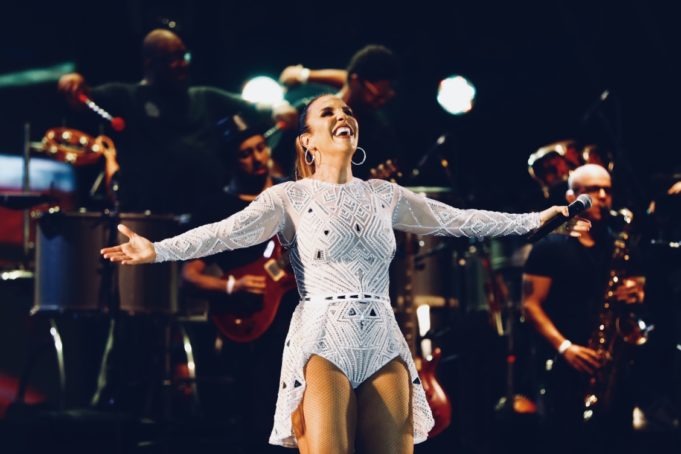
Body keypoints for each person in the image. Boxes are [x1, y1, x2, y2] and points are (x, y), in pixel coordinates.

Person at [102, 94, 572, 453]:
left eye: (346, 110)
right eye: (327, 113)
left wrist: (535, 220)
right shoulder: (288, 197)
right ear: (307, 140)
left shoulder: (385, 195)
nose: (342, 115)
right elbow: (223, 234)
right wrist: (156, 250)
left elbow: (460, 220)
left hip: (382, 336)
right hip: (323, 338)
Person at [58, 28, 286, 217]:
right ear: (149, 63)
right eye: (171, 59)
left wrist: (280, 107)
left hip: (205, 218)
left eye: (184, 56)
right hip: (150, 220)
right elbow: (82, 98)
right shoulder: (127, 97)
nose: (181, 64)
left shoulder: (205, 98)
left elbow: (256, 108)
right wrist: (72, 82)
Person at [180, 114, 296, 452]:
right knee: (258, 416)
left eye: (261, 148)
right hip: (252, 324)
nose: (258, 158)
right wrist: (233, 286)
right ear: (231, 161)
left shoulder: (291, 195)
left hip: (298, 314)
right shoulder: (217, 208)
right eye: (246, 153)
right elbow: (190, 276)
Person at [522, 164, 646, 454]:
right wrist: (565, 347)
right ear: (571, 197)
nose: (602, 196)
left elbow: (639, 289)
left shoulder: (620, 243)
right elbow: (529, 304)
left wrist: (637, 294)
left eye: (607, 190)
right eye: (592, 189)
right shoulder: (550, 245)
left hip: (611, 364)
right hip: (566, 364)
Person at [276, 45, 401, 179]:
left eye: (385, 98)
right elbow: (276, 162)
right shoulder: (307, 112)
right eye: (375, 95)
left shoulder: (380, 131)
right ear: (355, 81)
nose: (380, 103)